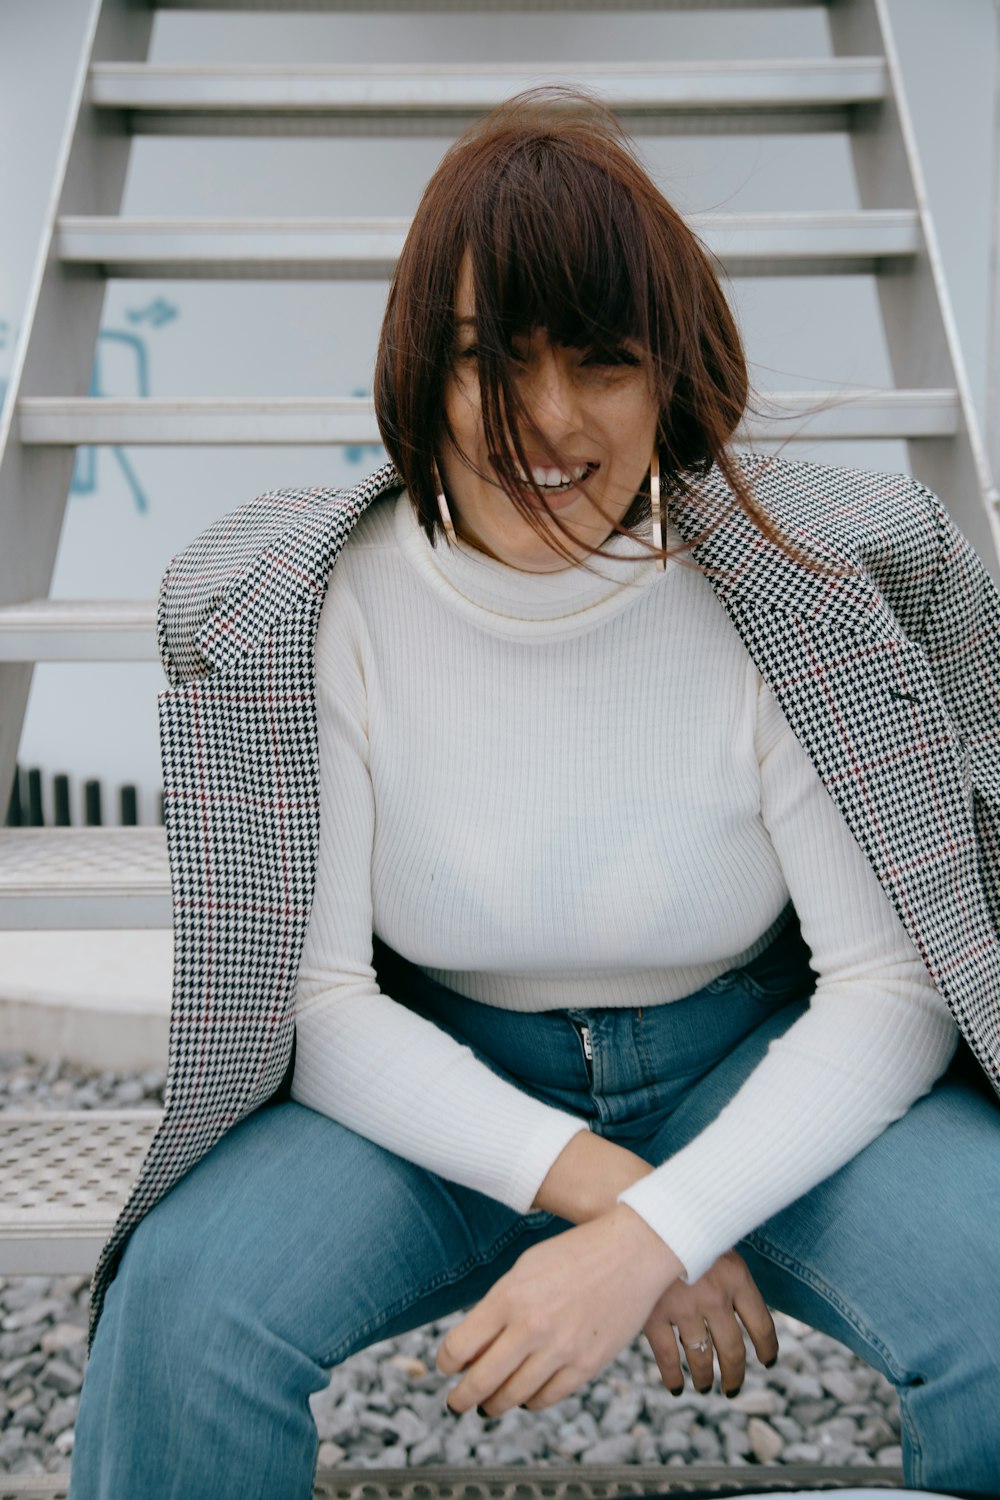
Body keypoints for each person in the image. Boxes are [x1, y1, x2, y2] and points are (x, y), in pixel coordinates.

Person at [69, 89, 999, 1499]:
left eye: (604, 360)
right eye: (488, 358)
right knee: (183, 1318)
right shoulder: (311, 607)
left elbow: (890, 983)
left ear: (668, 374)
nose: (547, 418)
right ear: (415, 378)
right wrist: (635, 1208)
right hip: (430, 1075)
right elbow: (317, 1006)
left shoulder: (789, 585)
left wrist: (656, 1234)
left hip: (748, 1057)